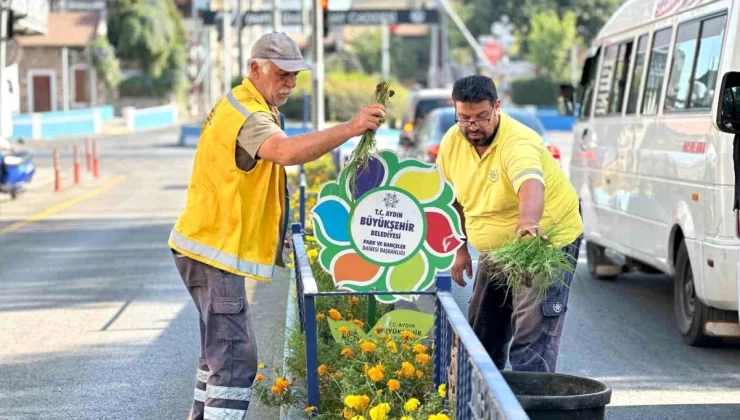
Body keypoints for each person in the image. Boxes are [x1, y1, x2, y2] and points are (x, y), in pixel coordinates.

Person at [168, 32, 386, 420]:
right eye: (282, 74)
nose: (289, 84)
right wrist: (351, 127)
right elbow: (286, 153)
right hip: (214, 252)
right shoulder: (248, 116)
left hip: (203, 247)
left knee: (216, 358)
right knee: (235, 361)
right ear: (255, 68)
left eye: (295, 76)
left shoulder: (248, 106)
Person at [435, 75, 583, 373]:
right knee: (483, 330)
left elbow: (530, 184)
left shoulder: (518, 143)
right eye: (464, 117)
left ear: (497, 107)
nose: (473, 125)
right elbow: (451, 199)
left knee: (531, 334)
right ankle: (484, 404)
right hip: (498, 246)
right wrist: (459, 248)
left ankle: (530, 406)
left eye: (481, 117)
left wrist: (528, 221)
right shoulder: (452, 141)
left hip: (541, 241)